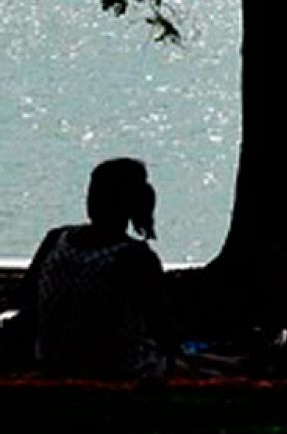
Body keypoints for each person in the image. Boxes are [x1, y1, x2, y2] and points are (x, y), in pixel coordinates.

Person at [14, 158, 176, 378]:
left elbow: (25, 298)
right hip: (118, 368)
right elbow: (161, 325)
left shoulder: (56, 240)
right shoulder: (135, 257)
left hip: (50, 361)